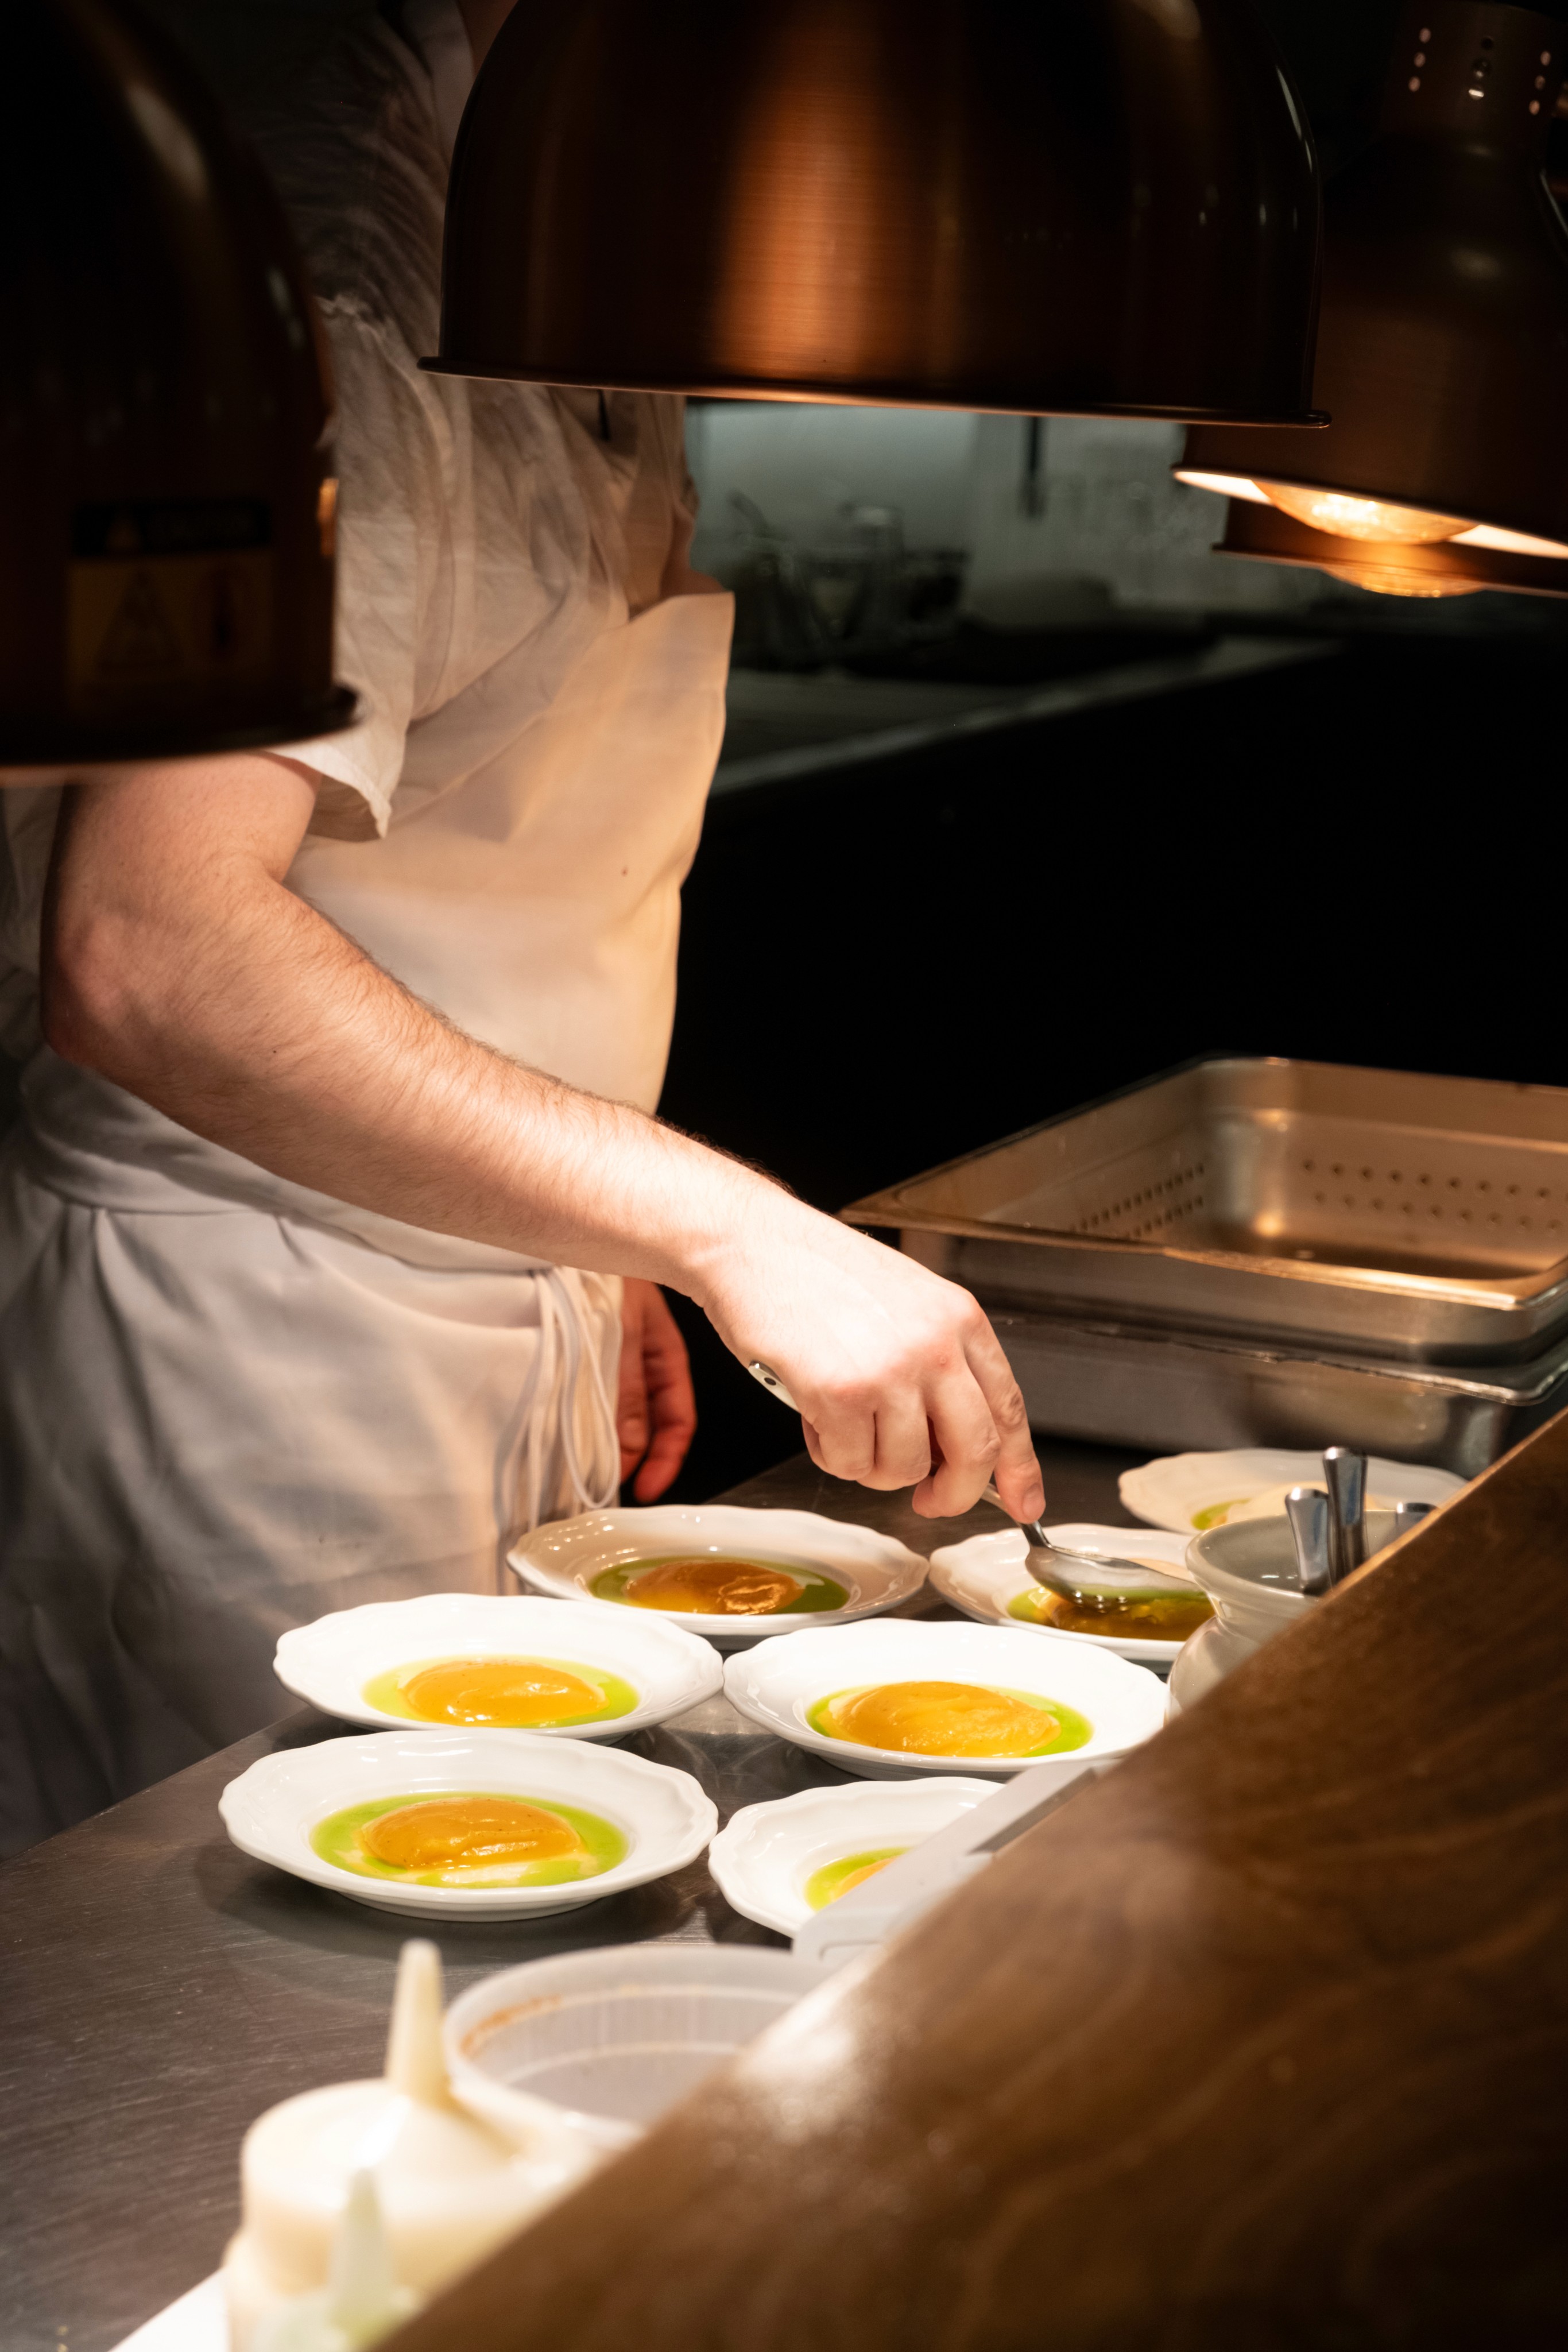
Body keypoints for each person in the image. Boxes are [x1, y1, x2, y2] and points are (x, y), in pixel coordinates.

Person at [0, 0, 1040, 1858]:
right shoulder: (352, 261)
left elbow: (463, 831)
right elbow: (149, 948)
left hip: (469, 1278)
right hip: (255, 1329)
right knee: (302, 1972)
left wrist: (582, 1232)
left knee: (524, 1888)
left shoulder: (569, 210)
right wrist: (721, 1224)